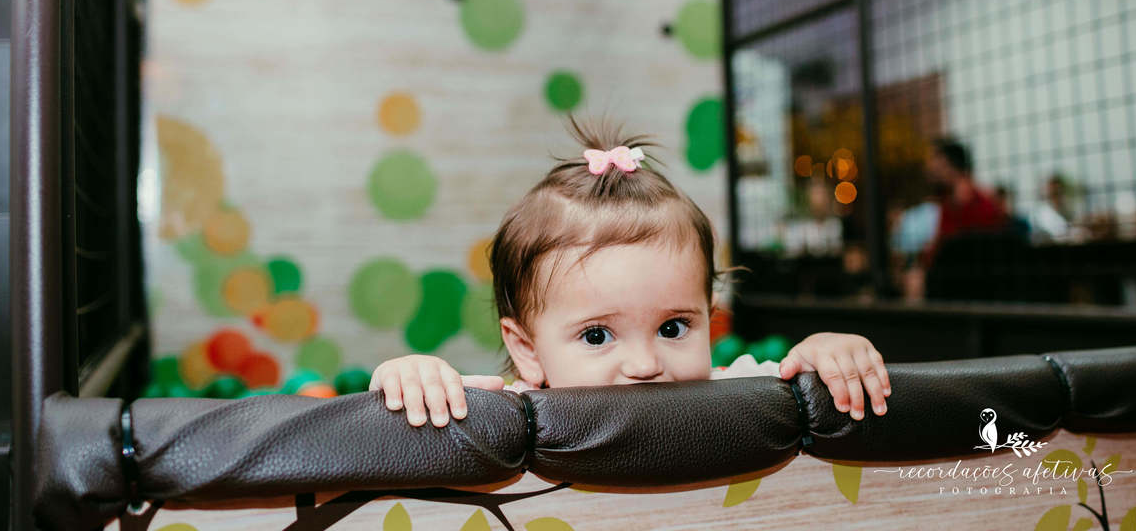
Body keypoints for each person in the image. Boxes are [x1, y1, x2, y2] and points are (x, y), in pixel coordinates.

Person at [369, 117, 892, 428]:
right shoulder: (514, 413)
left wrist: (828, 355)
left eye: (673, 328)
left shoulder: (736, 394)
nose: (644, 364)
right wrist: (409, 376)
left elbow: (796, 382)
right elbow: (434, 410)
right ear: (527, 349)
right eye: (597, 335)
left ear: (712, 322)